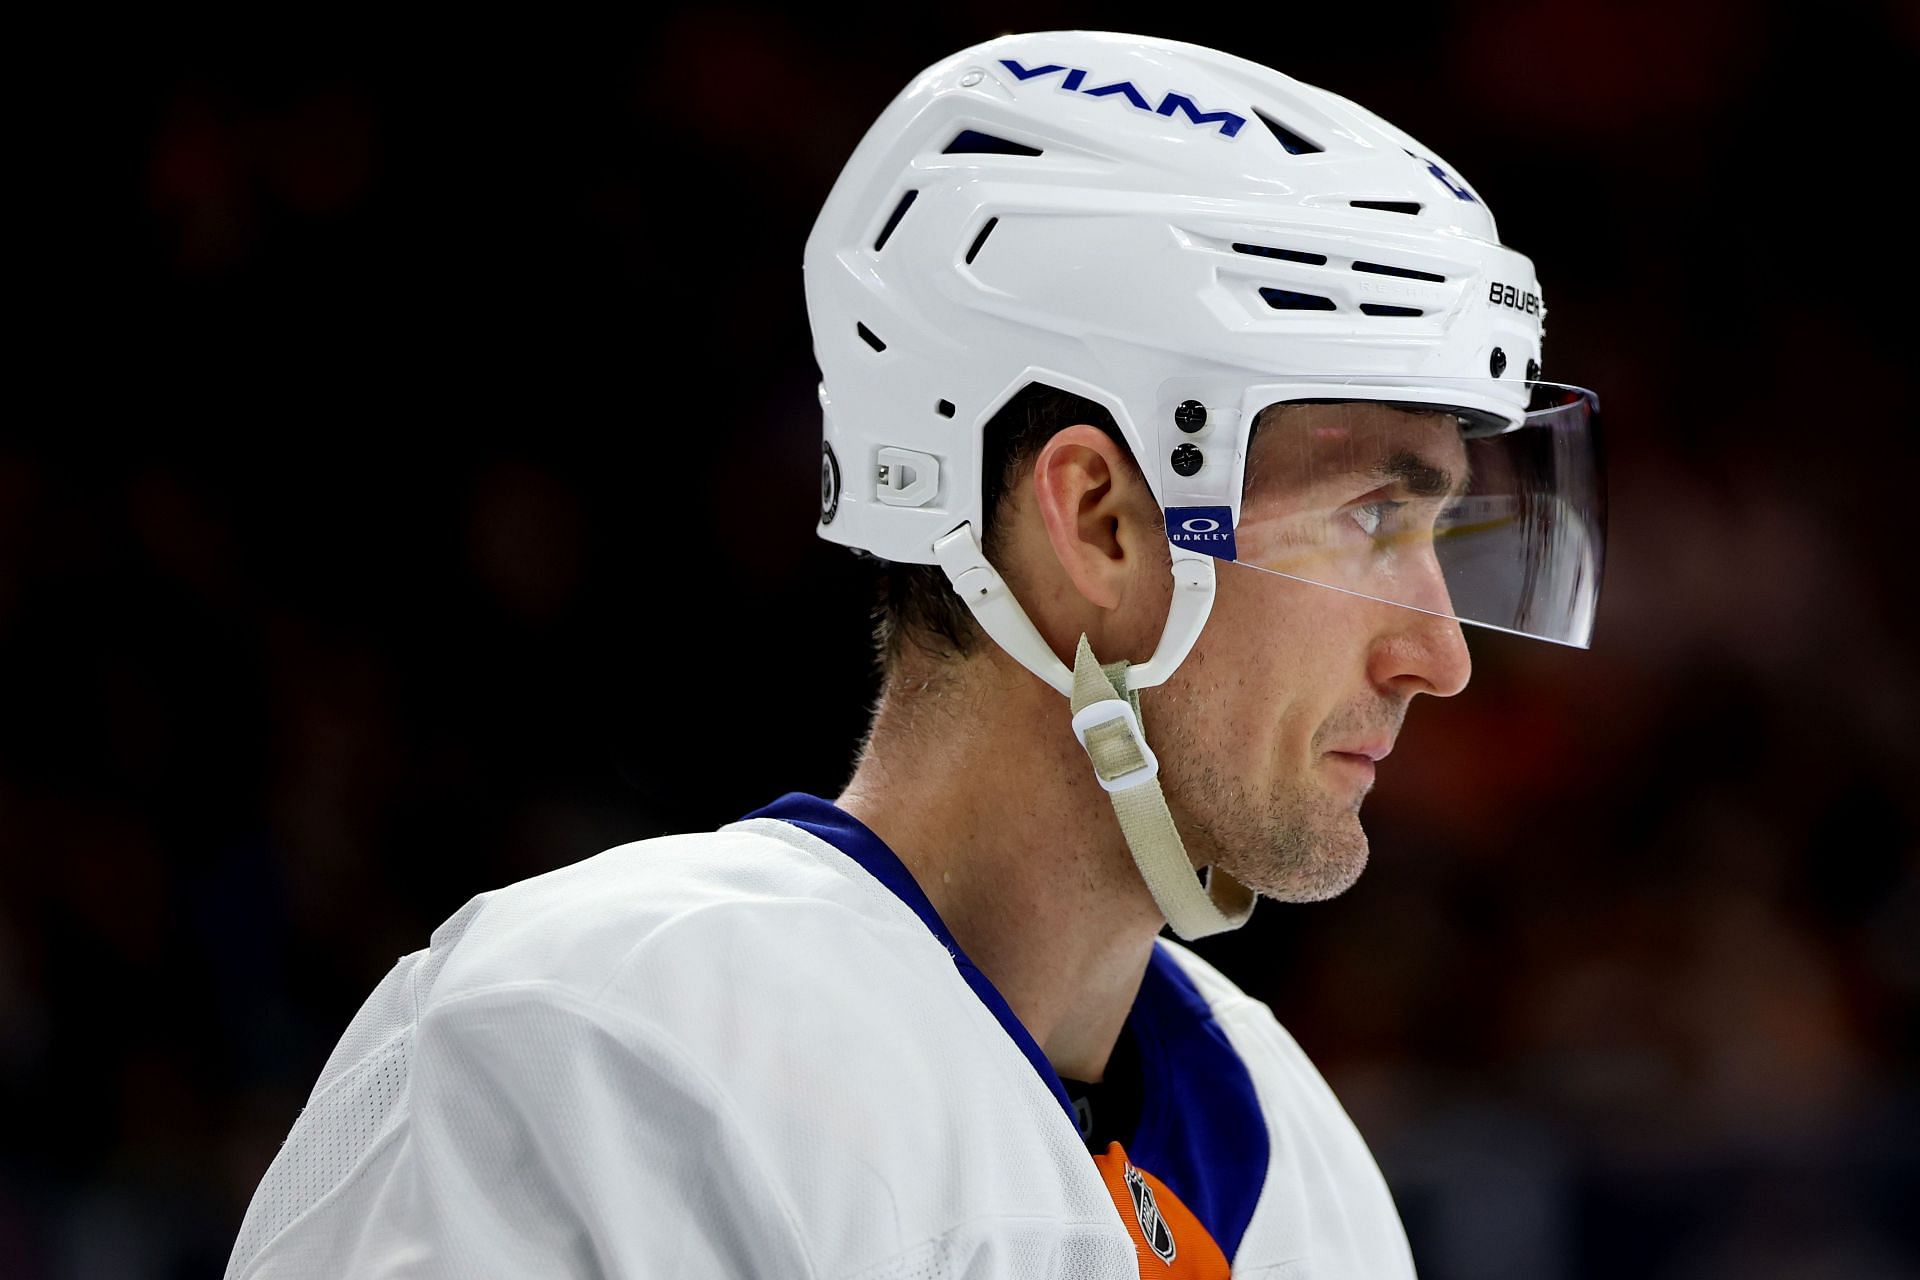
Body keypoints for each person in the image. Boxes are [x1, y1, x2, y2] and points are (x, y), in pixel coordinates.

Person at [225, 29, 1604, 1279]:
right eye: (1374, 514)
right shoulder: (591, 1048)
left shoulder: (1306, 1173)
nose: (1442, 653)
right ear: (1104, 523)